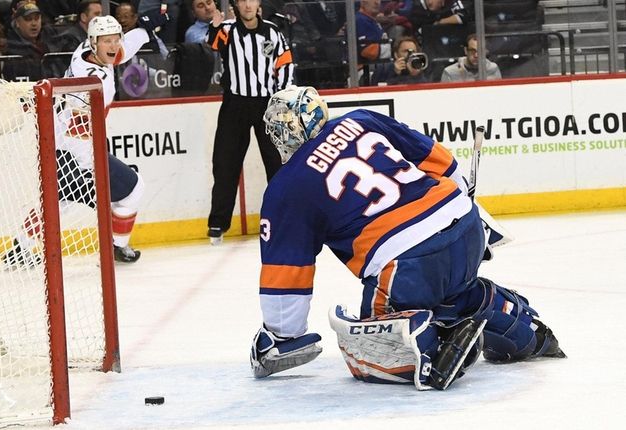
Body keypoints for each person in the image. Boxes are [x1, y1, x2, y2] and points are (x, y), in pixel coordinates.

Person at [250, 85, 565, 389]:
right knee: (453, 292)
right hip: (465, 224)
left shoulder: (286, 188)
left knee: (367, 349)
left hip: (406, 264)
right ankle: (512, 320)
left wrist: (280, 335)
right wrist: (470, 210)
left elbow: (287, 276)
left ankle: (429, 344)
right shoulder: (360, 119)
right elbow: (439, 160)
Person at [3, 14, 165, 267]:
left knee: (60, 199)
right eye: (106, 42)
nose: (113, 46)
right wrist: (90, 166)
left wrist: (144, 31)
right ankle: (117, 246)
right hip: (75, 148)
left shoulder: (83, 51)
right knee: (134, 188)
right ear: (94, 43)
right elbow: (78, 130)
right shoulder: (93, 82)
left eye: (115, 40)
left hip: (57, 145)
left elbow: (121, 53)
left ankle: (21, 247)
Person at [205, 0, 293, 244]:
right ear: (236, 4)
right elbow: (213, 45)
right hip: (235, 104)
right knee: (225, 163)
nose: (248, 5)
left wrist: (281, 98)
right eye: (242, 0)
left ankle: (282, 219)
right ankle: (218, 223)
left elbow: (285, 64)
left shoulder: (273, 32)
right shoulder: (228, 29)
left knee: (276, 163)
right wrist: (214, 25)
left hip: (266, 104)